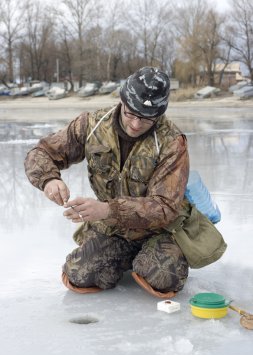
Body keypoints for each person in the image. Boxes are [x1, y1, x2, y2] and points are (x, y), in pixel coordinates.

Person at [24, 66, 190, 298]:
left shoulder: (172, 142)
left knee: (163, 276)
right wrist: (49, 180)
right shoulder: (92, 125)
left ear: (159, 115)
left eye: (146, 119)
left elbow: (164, 208)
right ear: (122, 101)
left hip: (158, 232)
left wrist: (106, 209)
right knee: (77, 274)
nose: (135, 124)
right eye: (130, 113)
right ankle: (126, 260)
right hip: (113, 230)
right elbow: (41, 152)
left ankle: (151, 259)